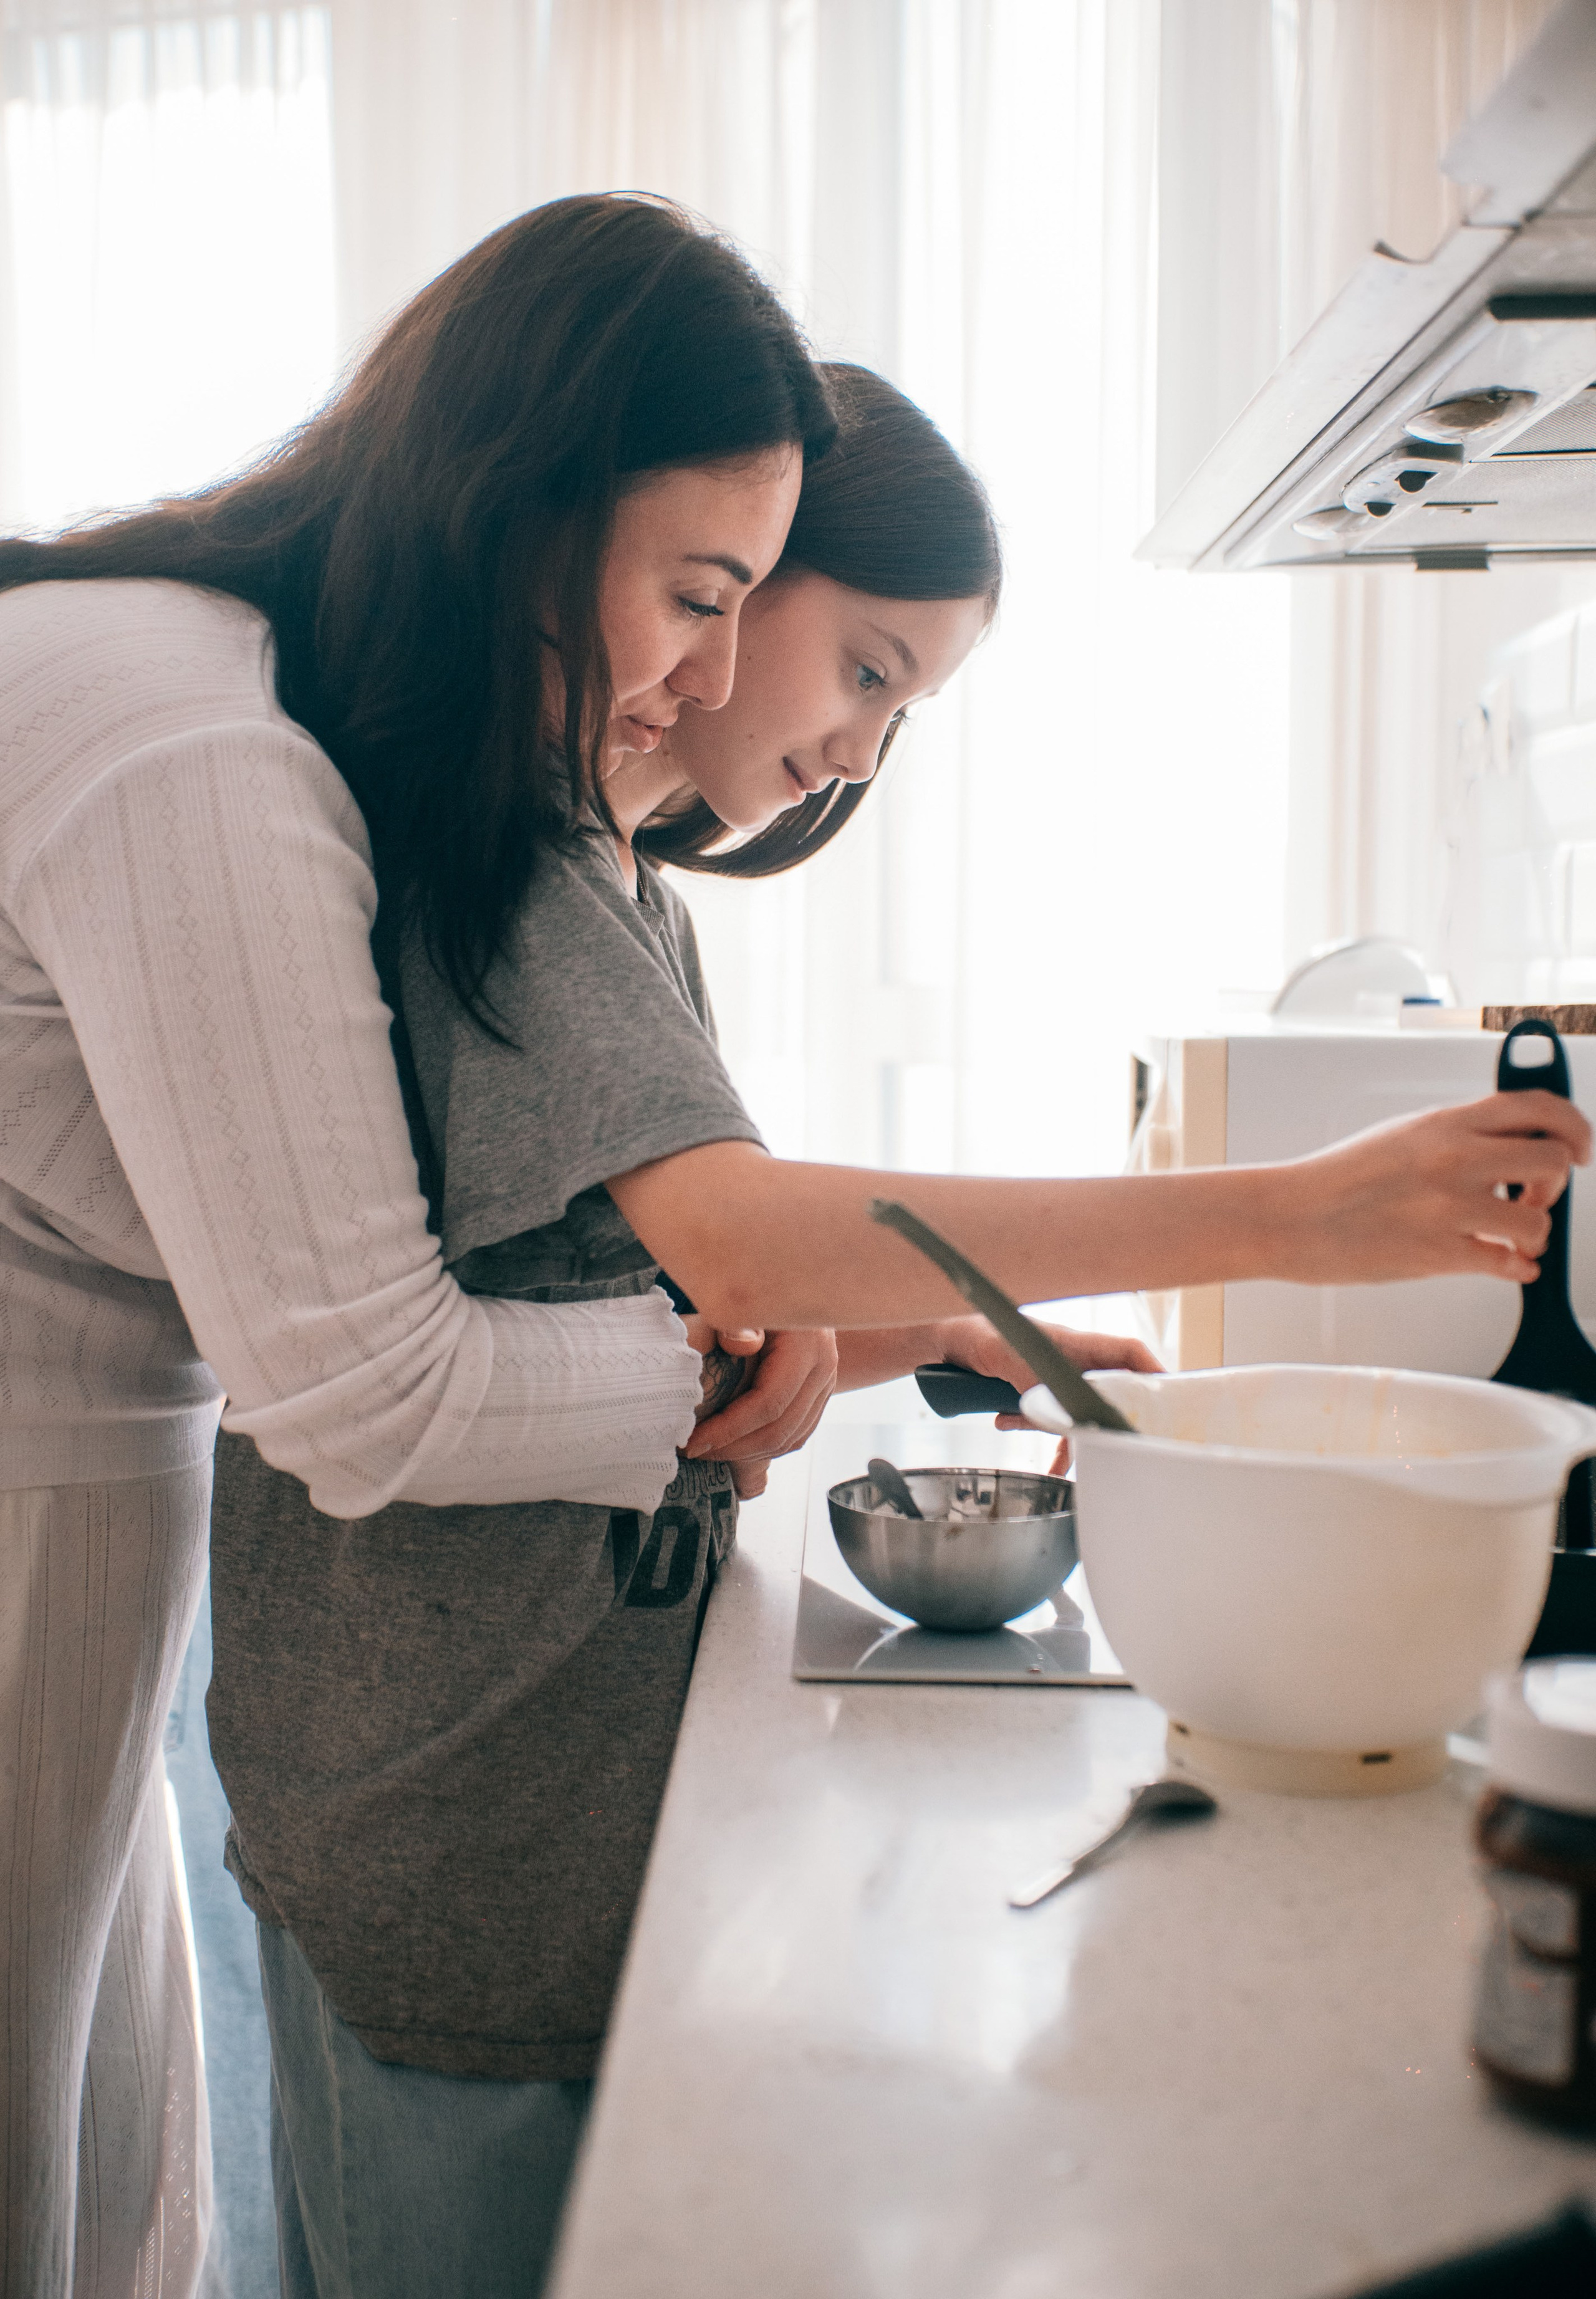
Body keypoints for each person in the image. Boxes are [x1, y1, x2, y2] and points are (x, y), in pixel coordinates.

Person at [204, 357, 1590, 2299]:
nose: (863, 750)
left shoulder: (625, 887)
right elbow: (736, 1242)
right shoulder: (521, 858)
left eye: (906, 708)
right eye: (865, 668)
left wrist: (943, 1333)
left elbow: (646, 1311)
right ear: (728, 576)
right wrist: (1296, 1209)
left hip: (521, 1802)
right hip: (450, 1818)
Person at [0, 193, 835, 2299]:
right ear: (526, 500)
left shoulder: (270, 702)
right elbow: (375, 1388)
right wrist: (711, 1358)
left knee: (97, 2182)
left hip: (89, 1492)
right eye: (699, 595)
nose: (717, 679)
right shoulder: (206, 747)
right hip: (28, 1509)